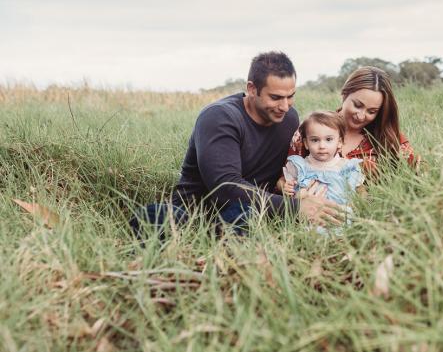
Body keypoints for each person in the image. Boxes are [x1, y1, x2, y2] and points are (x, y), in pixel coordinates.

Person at [130, 51, 343, 238]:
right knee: (155, 218)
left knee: (245, 218)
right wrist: (295, 208)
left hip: (254, 211)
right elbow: (226, 186)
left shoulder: (289, 119)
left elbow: (297, 166)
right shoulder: (220, 117)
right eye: (276, 97)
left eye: (290, 97)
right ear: (252, 89)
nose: (285, 106)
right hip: (196, 212)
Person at [287, 66, 418, 174]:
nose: (361, 116)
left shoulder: (388, 137)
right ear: (345, 94)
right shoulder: (313, 128)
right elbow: (286, 178)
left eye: (371, 111)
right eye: (357, 105)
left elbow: (420, 173)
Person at [281, 111, 365, 235]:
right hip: (307, 216)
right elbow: (282, 181)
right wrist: (285, 186)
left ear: (340, 142)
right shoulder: (300, 166)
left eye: (329, 139)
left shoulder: (346, 167)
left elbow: (361, 191)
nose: (322, 146)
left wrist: (357, 205)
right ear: (306, 143)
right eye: (315, 140)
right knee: (305, 233)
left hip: (338, 215)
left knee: (342, 229)